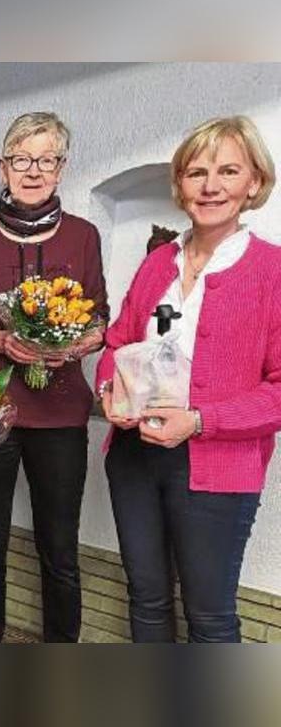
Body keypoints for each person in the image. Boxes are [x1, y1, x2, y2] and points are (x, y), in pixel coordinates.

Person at [98, 115, 279, 642]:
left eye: (228, 171)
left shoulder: (272, 271)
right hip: (133, 457)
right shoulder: (158, 262)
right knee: (147, 602)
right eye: (197, 172)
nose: (211, 186)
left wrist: (199, 420)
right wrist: (110, 389)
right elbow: (117, 342)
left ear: (254, 183)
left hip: (215, 467)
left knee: (209, 616)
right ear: (180, 185)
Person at [0, 112, 108, 643]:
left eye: (45, 159)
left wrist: (73, 342)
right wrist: (0, 342)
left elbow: (100, 320)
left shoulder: (84, 237)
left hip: (61, 415)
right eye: (21, 159)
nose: (32, 170)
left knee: (59, 549)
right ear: (3, 167)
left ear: (61, 168)